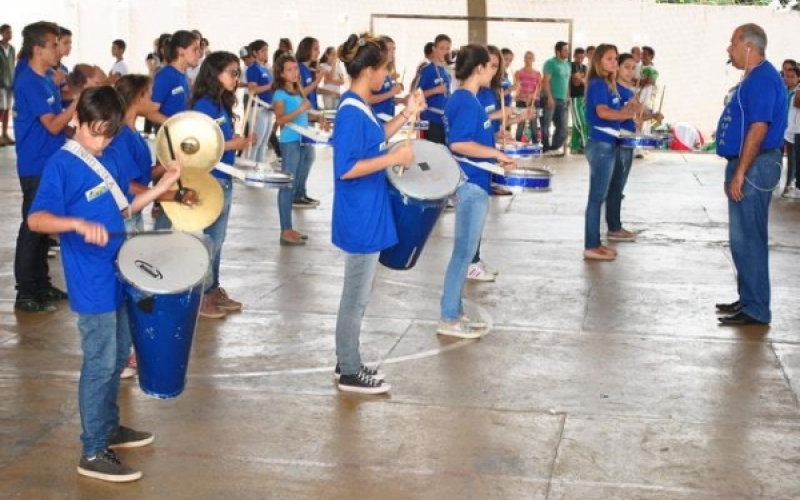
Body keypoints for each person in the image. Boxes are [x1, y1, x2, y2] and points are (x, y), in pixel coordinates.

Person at [28, 85, 183, 482]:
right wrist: (76, 223)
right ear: (76, 120)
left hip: (117, 274)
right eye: (95, 132)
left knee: (116, 357)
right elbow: (37, 220)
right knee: (99, 361)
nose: (102, 141)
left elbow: (124, 207)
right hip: (90, 283)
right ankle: (92, 450)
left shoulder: (108, 156)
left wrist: (163, 187)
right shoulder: (60, 165)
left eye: (109, 134)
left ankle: (109, 427)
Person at [332, 33, 424, 394]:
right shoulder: (351, 111)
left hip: (368, 209)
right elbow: (346, 167)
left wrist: (406, 114)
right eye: (384, 68)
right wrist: (393, 157)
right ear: (368, 70)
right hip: (359, 214)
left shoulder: (359, 105)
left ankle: (347, 360)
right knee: (355, 295)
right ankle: (350, 371)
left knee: (358, 292)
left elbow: (375, 137)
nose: (387, 75)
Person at [437, 44, 514, 339]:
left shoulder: (465, 98)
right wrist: (497, 154)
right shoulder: (467, 101)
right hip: (471, 184)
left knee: (464, 251)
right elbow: (459, 143)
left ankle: (454, 310)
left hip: (474, 181)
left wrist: (494, 141)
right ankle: (448, 317)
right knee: (463, 254)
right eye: (491, 67)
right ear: (479, 68)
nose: (494, 73)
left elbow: (472, 137)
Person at [715, 24, 787, 326]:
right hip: (749, 163)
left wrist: (740, 172)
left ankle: (757, 308)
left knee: (749, 238)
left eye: (732, 44)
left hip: (755, 166)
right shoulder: (754, 77)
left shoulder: (763, 79)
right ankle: (749, 299)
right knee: (741, 238)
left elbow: (759, 129)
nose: (728, 50)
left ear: (748, 46)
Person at [12, 21, 79, 312]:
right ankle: (25, 289)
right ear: (39, 49)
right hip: (35, 165)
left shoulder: (45, 79)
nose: (58, 49)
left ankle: (41, 283)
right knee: (33, 226)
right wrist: (78, 103)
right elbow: (52, 125)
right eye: (54, 44)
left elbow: (59, 124)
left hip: (50, 163)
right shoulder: (27, 81)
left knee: (44, 229)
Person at [192, 51, 253, 318]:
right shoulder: (203, 105)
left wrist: (235, 142)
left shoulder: (222, 103)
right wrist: (232, 144)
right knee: (208, 240)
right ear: (214, 74)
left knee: (219, 239)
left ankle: (213, 288)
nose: (236, 78)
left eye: (237, 73)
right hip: (210, 179)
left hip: (225, 177)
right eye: (231, 72)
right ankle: (201, 296)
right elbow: (198, 145)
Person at [583, 44, 639, 261]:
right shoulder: (598, 83)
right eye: (609, 59)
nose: (614, 63)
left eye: (615, 59)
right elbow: (602, 112)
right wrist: (625, 113)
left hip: (609, 144)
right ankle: (591, 245)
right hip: (601, 145)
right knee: (596, 198)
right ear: (598, 61)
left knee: (600, 196)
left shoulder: (608, 84)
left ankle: (596, 242)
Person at [148, 30, 200, 230]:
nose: (198, 54)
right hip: (168, 143)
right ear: (180, 50)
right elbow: (151, 111)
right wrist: (174, 125)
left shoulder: (183, 76)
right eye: (194, 49)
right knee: (167, 195)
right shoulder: (166, 76)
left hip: (180, 142)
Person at [607, 53, 661, 243]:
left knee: (619, 185)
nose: (631, 72)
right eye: (626, 67)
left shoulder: (630, 92)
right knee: (616, 185)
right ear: (617, 68)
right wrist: (628, 112)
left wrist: (652, 116)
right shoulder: (613, 90)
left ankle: (616, 224)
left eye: (633, 68)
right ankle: (614, 227)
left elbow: (637, 116)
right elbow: (611, 116)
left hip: (629, 139)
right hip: (619, 139)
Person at [273, 53, 316, 242]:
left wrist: (318, 117)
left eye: (295, 68)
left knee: (297, 180)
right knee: (287, 185)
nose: (294, 73)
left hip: (304, 139)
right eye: (289, 70)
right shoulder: (279, 94)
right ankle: (285, 229)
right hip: (290, 141)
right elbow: (280, 121)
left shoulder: (298, 91)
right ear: (281, 74)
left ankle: (290, 227)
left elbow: (304, 115)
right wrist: (301, 109)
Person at [245, 39, 275, 163]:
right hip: (258, 108)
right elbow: (253, 89)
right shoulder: (253, 69)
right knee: (256, 142)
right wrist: (270, 86)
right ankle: (251, 166)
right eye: (263, 50)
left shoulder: (266, 69)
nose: (266, 53)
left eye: (267, 50)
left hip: (268, 108)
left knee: (264, 143)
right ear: (255, 52)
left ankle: (259, 167)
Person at [418, 34, 452, 144]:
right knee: (433, 155)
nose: (445, 52)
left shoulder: (446, 71)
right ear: (434, 49)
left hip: (444, 120)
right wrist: (435, 90)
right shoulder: (427, 70)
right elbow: (416, 95)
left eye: (447, 49)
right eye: (441, 48)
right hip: (431, 120)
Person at [541, 41, 571, 155]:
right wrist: (549, 97)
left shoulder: (567, 65)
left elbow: (567, 82)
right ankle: (546, 148)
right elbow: (545, 81)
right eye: (565, 50)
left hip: (562, 100)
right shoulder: (550, 63)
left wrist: (568, 96)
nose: (567, 52)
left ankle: (554, 148)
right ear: (558, 51)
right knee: (546, 125)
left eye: (567, 50)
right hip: (551, 98)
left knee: (563, 127)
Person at [368, 36, 403, 118]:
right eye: (388, 49)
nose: (392, 52)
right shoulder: (374, 71)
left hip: (387, 119)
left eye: (393, 49)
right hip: (376, 119)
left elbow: (388, 99)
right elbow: (368, 99)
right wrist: (392, 92)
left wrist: (402, 100)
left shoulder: (386, 72)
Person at [514, 50, 541, 143]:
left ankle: (535, 144)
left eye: (530, 58)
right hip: (521, 100)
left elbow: (539, 88)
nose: (528, 59)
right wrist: (524, 96)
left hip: (534, 100)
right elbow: (517, 86)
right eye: (526, 57)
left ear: (533, 59)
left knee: (533, 123)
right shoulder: (518, 72)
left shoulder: (537, 73)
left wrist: (532, 96)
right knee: (520, 122)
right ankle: (517, 143)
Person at [781, 63, 800, 198]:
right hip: (786, 129)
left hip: (796, 129)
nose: (787, 79)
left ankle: (791, 184)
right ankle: (789, 184)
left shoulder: (798, 93)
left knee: (795, 159)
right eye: (786, 76)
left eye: (791, 76)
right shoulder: (784, 91)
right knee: (790, 158)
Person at [569, 47, 588, 154]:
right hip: (575, 97)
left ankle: (574, 146)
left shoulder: (584, 67)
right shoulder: (571, 65)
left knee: (578, 122)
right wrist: (582, 80)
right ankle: (585, 145)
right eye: (578, 56)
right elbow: (576, 80)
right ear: (574, 56)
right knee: (581, 123)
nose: (580, 58)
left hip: (583, 97)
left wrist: (581, 80)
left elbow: (584, 81)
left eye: (582, 57)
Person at [0, 24, 16, 146]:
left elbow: (12, 65)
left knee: (7, 110)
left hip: (10, 84)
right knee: (1, 110)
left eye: (10, 32)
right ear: (2, 33)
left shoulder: (12, 49)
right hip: (0, 84)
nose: (10, 35)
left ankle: (4, 134)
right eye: (7, 32)